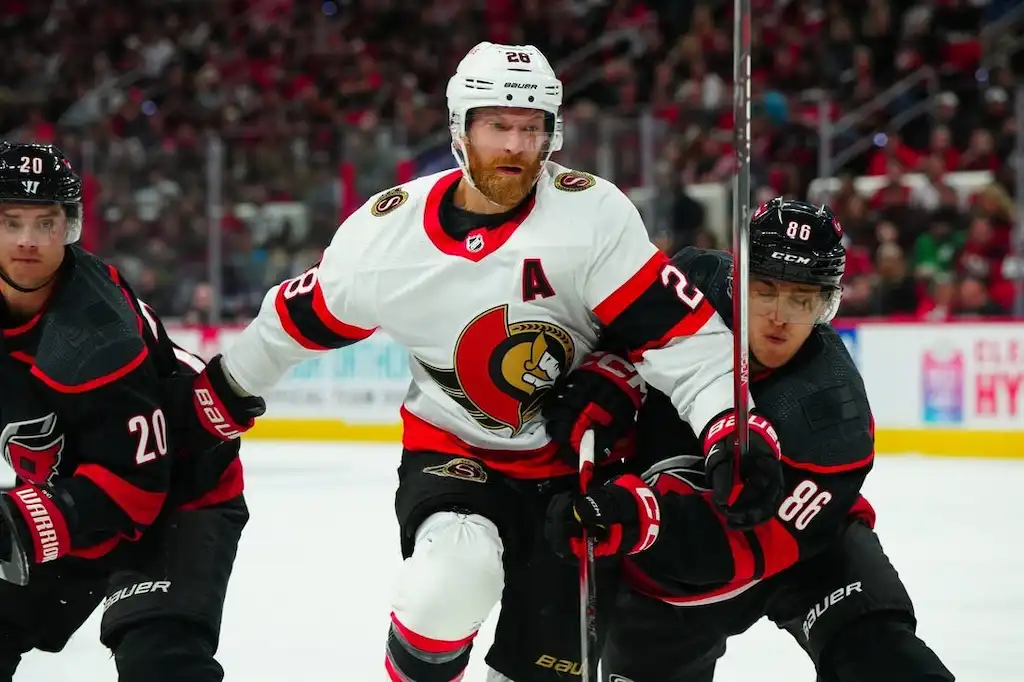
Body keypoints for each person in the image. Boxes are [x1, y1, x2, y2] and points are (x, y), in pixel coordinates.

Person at [178, 42, 787, 682]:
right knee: (448, 581)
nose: (516, 146)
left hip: (577, 473)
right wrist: (224, 390)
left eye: (531, 129)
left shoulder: (591, 217)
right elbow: (293, 321)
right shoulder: (389, 236)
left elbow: (680, 337)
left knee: (544, 668)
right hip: (455, 453)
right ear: (459, 129)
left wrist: (732, 427)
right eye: (497, 125)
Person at [544, 198, 955, 682]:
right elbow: (605, 330)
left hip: (800, 552)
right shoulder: (691, 280)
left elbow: (740, 546)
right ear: (736, 281)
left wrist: (641, 519)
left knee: (881, 657)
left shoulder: (833, 418)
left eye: (802, 299)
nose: (779, 317)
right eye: (765, 291)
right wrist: (610, 369)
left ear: (828, 304)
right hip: (665, 590)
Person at [0, 142, 247, 682]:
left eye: (46, 223)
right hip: (77, 491)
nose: (26, 241)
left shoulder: (93, 332)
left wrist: (19, 519)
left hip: (177, 492)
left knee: (161, 663)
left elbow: (136, 486)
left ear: (69, 227)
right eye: (10, 220)